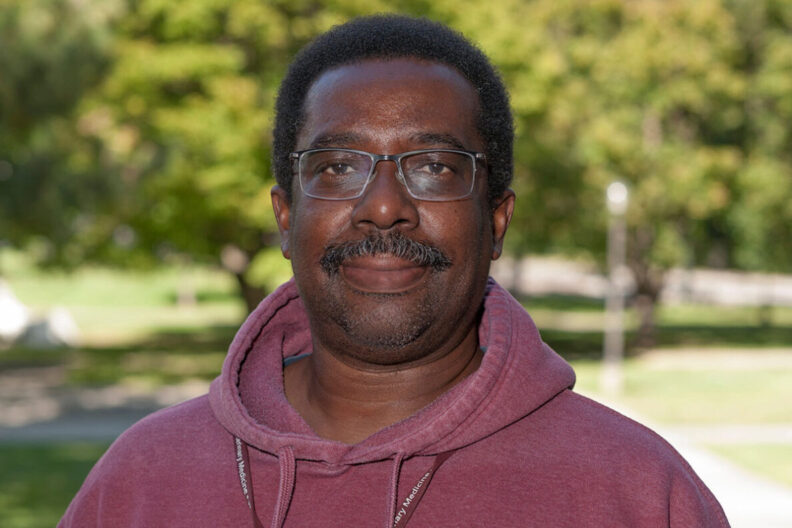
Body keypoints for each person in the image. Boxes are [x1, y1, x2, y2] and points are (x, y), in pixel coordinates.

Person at [60, 15, 729, 528]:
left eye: (435, 167)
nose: (383, 208)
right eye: (338, 167)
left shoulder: (634, 490)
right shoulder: (141, 480)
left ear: (496, 219)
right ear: (285, 216)